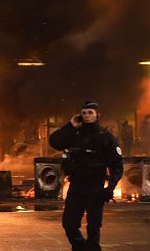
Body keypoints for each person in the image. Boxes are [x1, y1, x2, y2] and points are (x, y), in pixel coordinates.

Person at [49, 101, 123, 251]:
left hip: (95, 188)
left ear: (97, 115)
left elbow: (116, 165)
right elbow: (54, 141)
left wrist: (110, 188)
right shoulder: (75, 134)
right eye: (83, 113)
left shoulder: (105, 137)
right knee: (69, 224)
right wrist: (70, 126)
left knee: (93, 228)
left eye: (90, 113)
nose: (86, 116)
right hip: (76, 187)